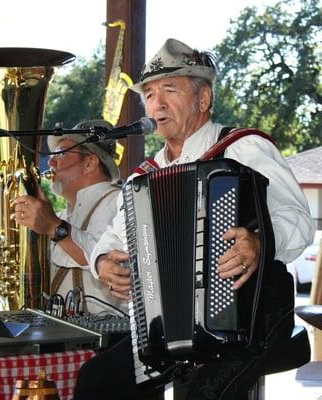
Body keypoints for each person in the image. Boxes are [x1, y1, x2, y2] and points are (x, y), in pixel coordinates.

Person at [73, 39, 315, 400]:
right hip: (165, 328)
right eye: (150, 94)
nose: (157, 103)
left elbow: (298, 219)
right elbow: (112, 239)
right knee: (97, 379)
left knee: (202, 394)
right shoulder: (145, 178)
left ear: (203, 100)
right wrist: (102, 261)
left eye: (170, 90)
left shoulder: (241, 148)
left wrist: (261, 242)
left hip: (250, 317)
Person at [0, 119, 127, 316]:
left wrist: (53, 227)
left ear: (90, 162)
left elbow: (108, 261)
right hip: (59, 330)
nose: (50, 161)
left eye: (62, 153)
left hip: (103, 336)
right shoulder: (62, 215)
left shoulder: (120, 202)